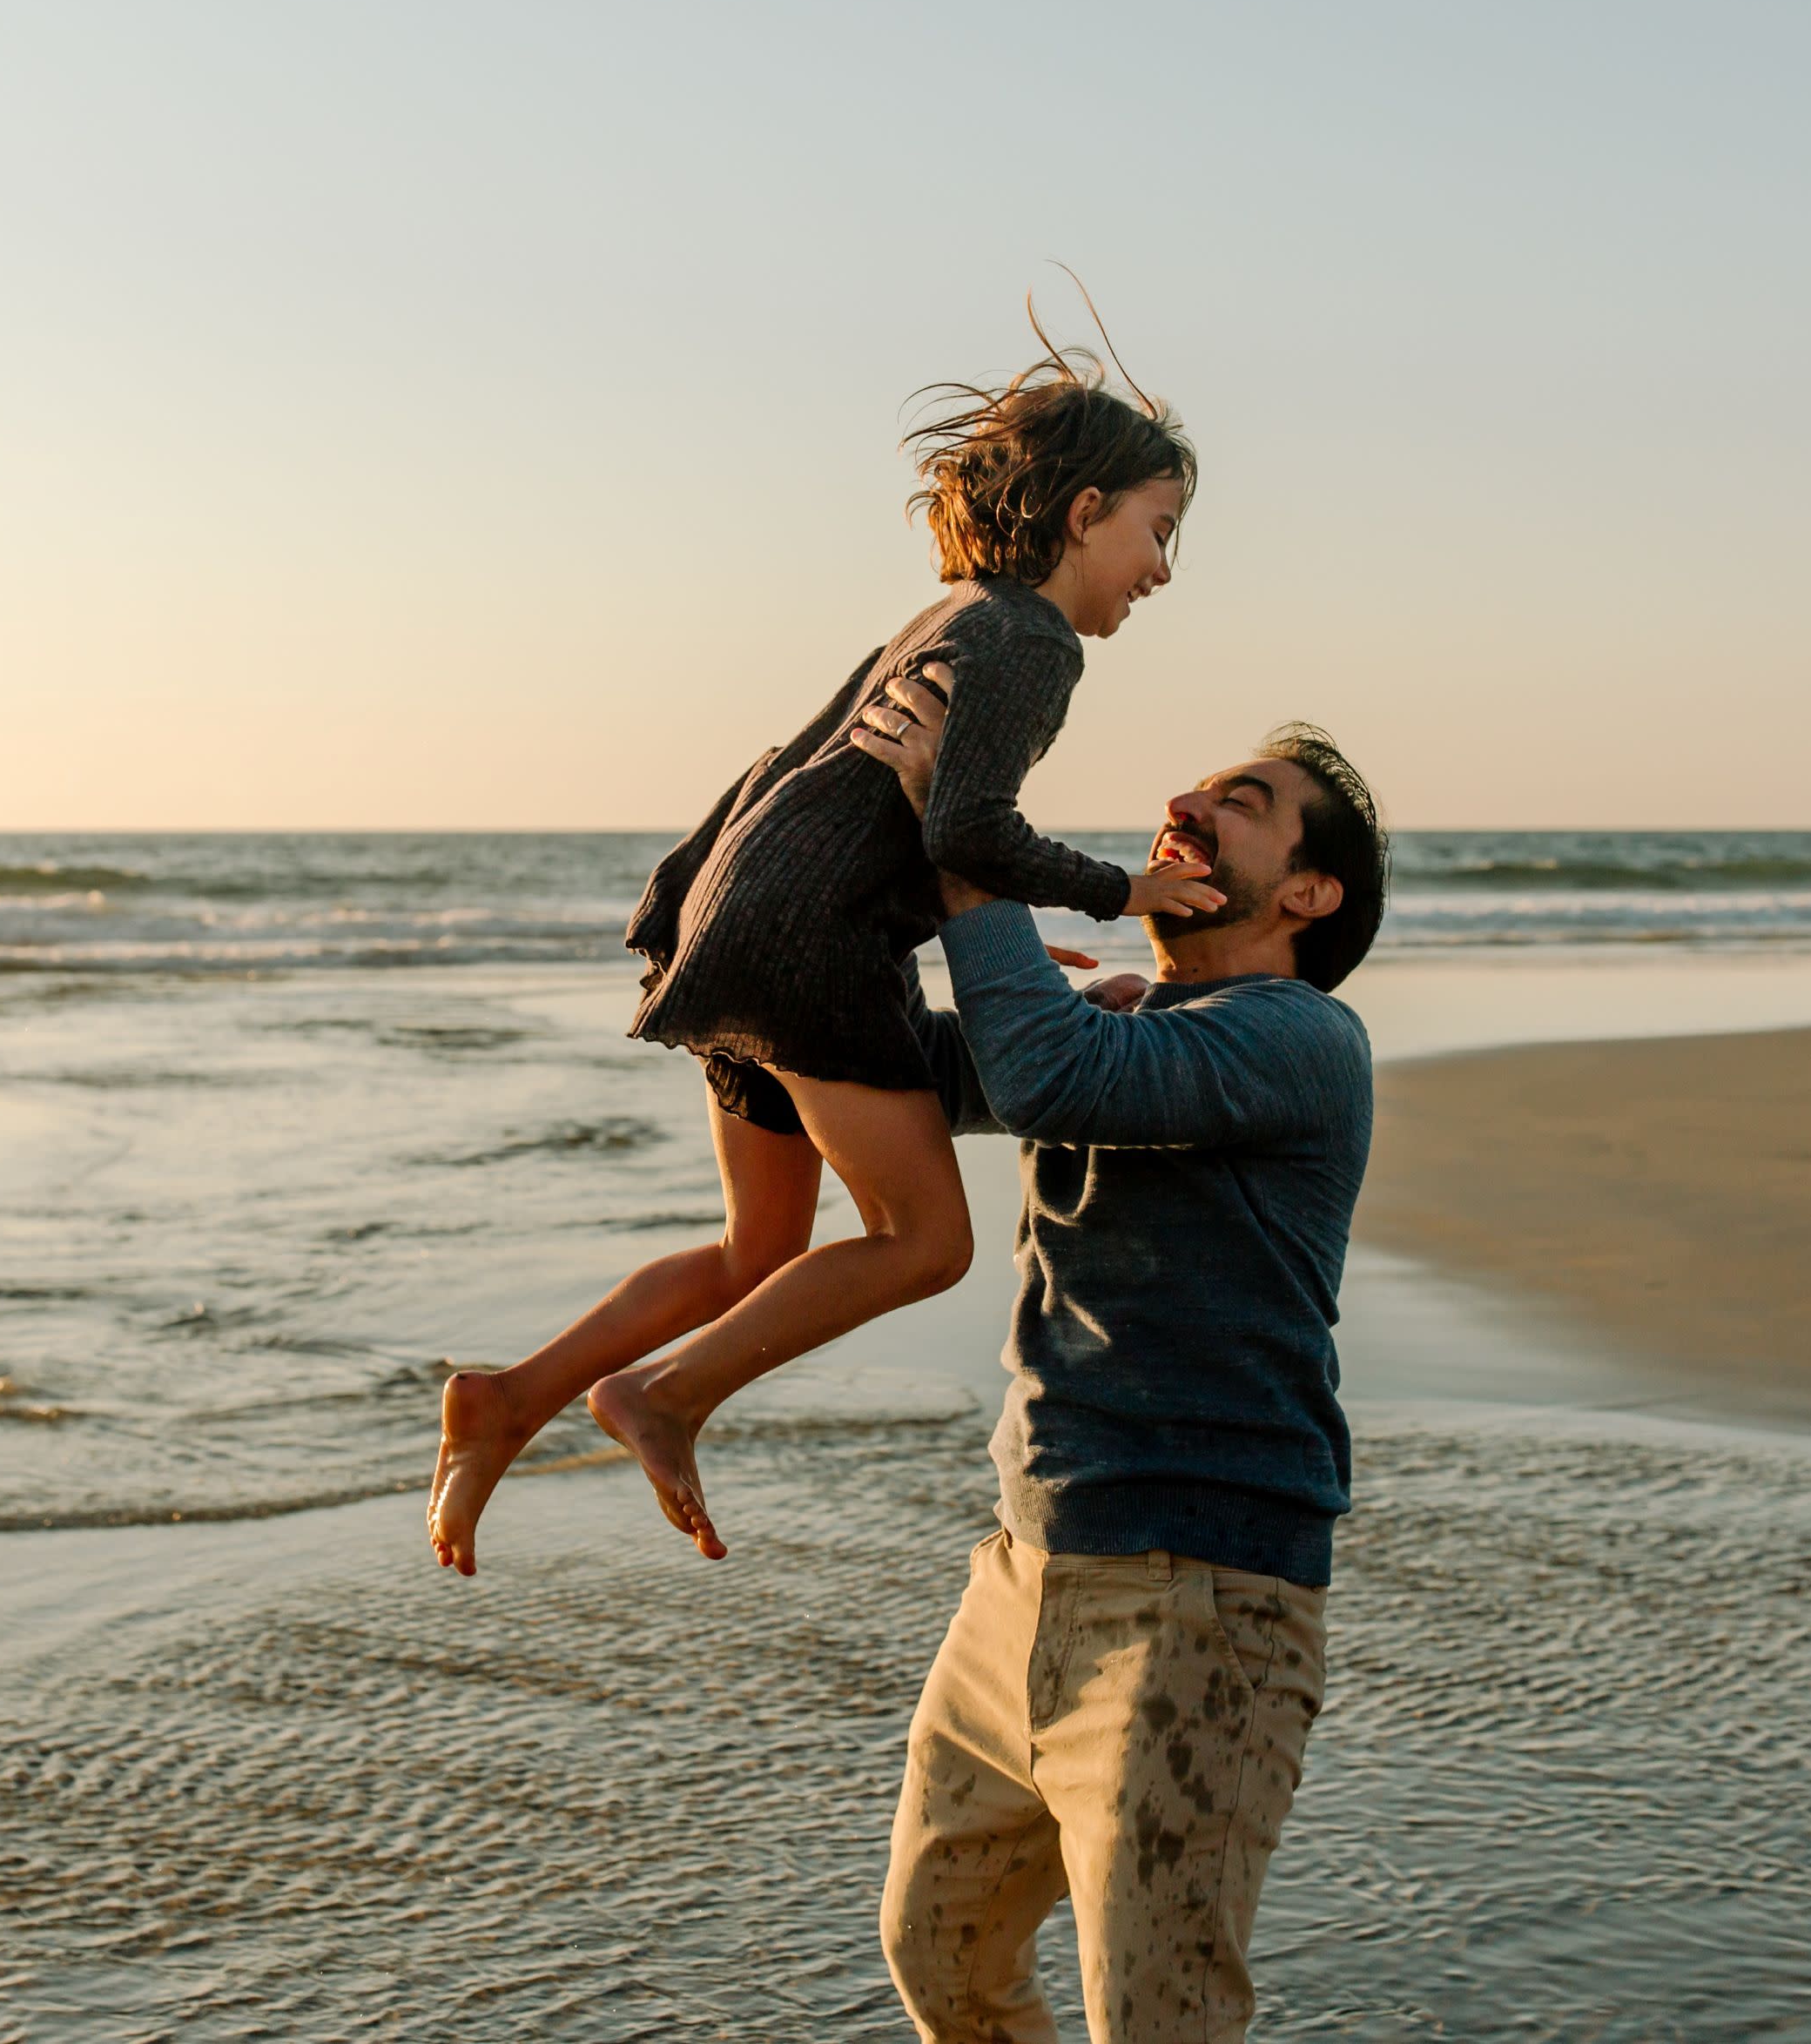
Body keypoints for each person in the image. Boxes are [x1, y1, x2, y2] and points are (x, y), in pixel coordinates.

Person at [427, 319, 1225, 1573]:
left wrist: (721, 916)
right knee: (926, 1242)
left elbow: (823, 786)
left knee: (763, 1250)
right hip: (806, 955)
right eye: (1158, 530)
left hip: (740, 933)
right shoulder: (1031, 640)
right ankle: (664, 1396)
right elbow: (967, 822)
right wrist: (1129, 890)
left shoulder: (952, 612)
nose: (1162, 568)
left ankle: (509, 1397)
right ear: (1084, 513)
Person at [852, 674, 1388, 2044]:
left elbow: (1043, 1076)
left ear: (1309, 896)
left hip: (1201, 1604)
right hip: (1024, 1573)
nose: (1189, 807)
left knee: (1160, 2019)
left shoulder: (1303, 1041)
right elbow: (925, 1068)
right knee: (939, 1954)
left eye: (1244, 807)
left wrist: (970, 844)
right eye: (1201, 788)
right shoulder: (1136, 1020)